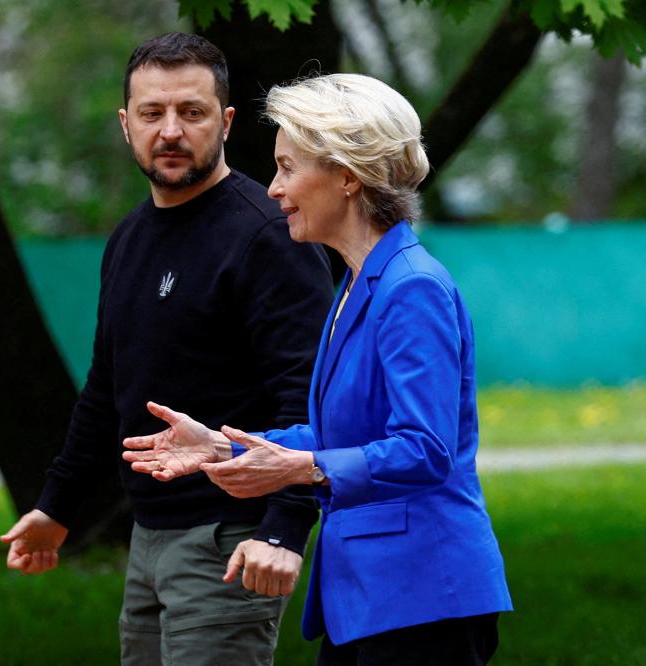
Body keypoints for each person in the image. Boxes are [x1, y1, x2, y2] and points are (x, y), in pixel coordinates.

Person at [122, 73, 513, 665]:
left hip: (425, 596)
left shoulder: (412, 288)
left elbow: (427, 449)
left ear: (348, 177)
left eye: (288, 167)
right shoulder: (359, 281)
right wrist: (224, 450)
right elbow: (342, 436)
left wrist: (302, 469)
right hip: (369, 596)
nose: (274, 189)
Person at [0, 33, 335, 666]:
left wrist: (286, 528)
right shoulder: (129, 237)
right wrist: (55, 507)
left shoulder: (266, 236)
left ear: (227, 122)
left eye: (193, 111)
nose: (171, 131)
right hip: (148, 535)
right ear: (126, 126)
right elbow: (107, 389)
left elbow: (310, 398)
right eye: (152, 114)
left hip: (230, 539)